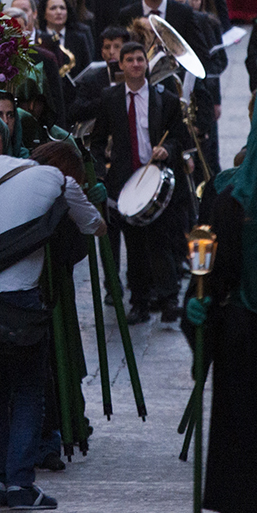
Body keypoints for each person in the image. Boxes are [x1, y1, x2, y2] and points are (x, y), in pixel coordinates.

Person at [0, 128, 104, 510]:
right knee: (27, 390)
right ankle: (20, 484)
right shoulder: (61, 180)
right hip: (17, 303)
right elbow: (94, 226)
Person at [89, 39, 190, 323]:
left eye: (140, 60)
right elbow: (97, 142)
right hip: (125, 183)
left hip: (154, 177)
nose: (136, 65)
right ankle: (140, 303)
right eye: (130, 60)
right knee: (134, 246)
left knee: (160, 241)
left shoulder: (165, 98)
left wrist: (166, 150)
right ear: (120, 65)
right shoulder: (110, 99)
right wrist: (101, 173)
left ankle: (169, 300)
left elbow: (181, 137)